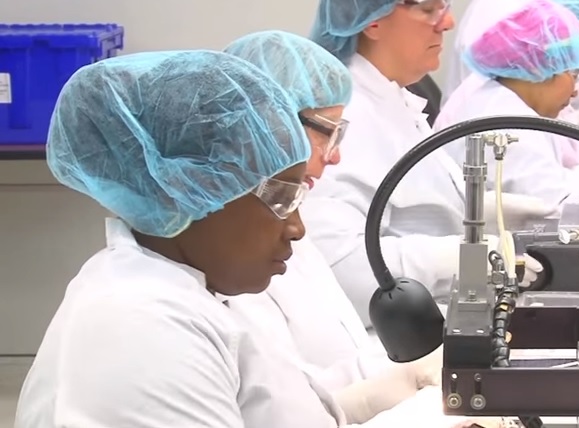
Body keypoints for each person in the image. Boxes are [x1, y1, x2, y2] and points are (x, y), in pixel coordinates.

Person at [13, 50, 493, 428]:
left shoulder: (200, 290)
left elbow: (285, 411)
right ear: (196, 191)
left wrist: (396, 390)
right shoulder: (140, 326)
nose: (298, 228)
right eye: (280, 199)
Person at [223, 30, 442, 421]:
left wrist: (412, 370)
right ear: (266, 125)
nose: (336, 156)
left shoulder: (285, 224)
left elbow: (331, 357)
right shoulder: (228, 254)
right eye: (328, 131)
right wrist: (369, 402)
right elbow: (273, 408)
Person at [305, 0, 551, 330]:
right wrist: (460, 257)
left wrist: (491, 212)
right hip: (389, 340)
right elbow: (342, 269)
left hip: (436, 317)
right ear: (373, 22)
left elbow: (417, 203)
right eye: (429, 9)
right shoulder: (345, 116)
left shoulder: (395, 99)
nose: (447, 23)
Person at [436, 0, 579, 206]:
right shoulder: (507, 123)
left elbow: (554, 180)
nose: (576, 92)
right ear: (541, 68)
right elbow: (554, 201)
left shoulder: (503, 100)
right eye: (574, 75)